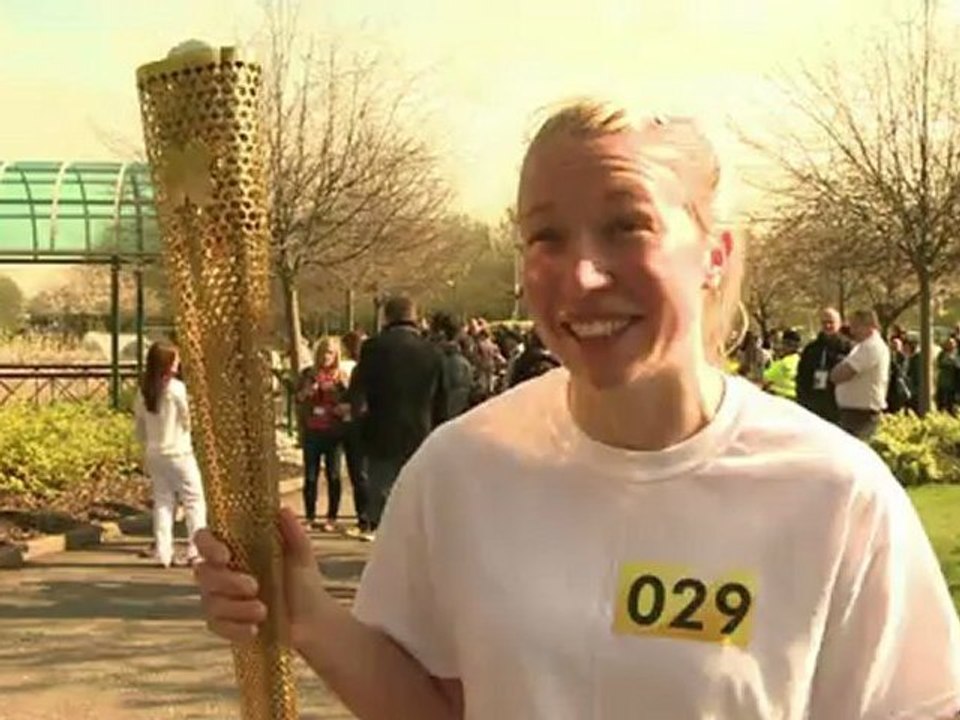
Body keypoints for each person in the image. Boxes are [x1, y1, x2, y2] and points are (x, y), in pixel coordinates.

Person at [193, 101, 960, 719]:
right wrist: (309, 618)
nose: (582, 274)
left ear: (715, 254)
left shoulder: (832, 494)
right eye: (546, 236)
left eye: (627, 226)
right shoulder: (462, 471)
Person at [346, 294, 447, 533]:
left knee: (382, 489)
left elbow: (359, 388)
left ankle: (384, 534)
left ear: (387, 317)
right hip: (419, 429)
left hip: (381, 428)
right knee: (415, 490)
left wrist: (355, 418)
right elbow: (441, 399)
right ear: (414, 317)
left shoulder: (373, 348)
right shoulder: (432, 351)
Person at [134, 340, 206, 569]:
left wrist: (145, 445)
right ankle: (196, 550)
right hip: (179, 451)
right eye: (175, 358)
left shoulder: (144, 390)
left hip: (155, 452)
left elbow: (139, 425)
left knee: (163, 502)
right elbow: (188, 419)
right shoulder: (176, 389)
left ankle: (163, 552)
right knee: (194, 500)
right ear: (166, 363)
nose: (178, 362)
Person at [295, 337, 349, 532]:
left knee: (333, 475)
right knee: (310, 476)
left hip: (333, 432)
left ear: (336, 356)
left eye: (331, 353)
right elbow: (297, 398)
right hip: (312, 431)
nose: (326, 357)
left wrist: (341, 406)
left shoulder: (341, 377)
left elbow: (349, 402)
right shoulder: (308, 374)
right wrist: (307, 392)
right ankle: (310, 516)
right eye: (323, 352)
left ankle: (331, 517)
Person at [830, 309, 891, 441]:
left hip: (861, 416)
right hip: (854, 414)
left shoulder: (871, 347)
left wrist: (836, 371)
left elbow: (841, 375)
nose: (852, 331)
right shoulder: (862, 346)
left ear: (869, 326)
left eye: (855, 326)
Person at [340, 330, 371, 539]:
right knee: (365, 474)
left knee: (359, 474)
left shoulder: (360, 370)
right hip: (369, 426)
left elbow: (356, 399)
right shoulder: (374, 369)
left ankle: (365, 520)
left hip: (357, 426)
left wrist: (347, 407)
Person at [795, 307, 851, 423]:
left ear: (839, 324)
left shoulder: (848, 348)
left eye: (831, 322)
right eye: (824, 323)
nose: (827, 326)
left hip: (838, 405)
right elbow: (802, 376)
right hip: (814, 404)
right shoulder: (811, 349)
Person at [761, 328, 801, 399]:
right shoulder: (799, 361)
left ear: (785, 344)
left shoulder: (783, 363)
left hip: (779, 399)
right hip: (796, 399)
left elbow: (764, 379)